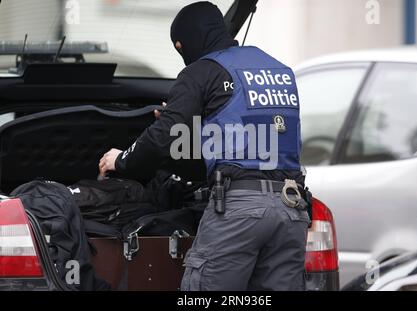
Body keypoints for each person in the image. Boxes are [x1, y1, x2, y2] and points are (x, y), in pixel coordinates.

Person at [99, 1, 310, 291]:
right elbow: (246, 145)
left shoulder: (202, 71)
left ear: (188, 40)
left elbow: (162, 138)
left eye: (180, 47)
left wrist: (120, 160)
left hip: (239, 211)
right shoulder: (281, 71)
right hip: (291, 209)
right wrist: (189, 122)